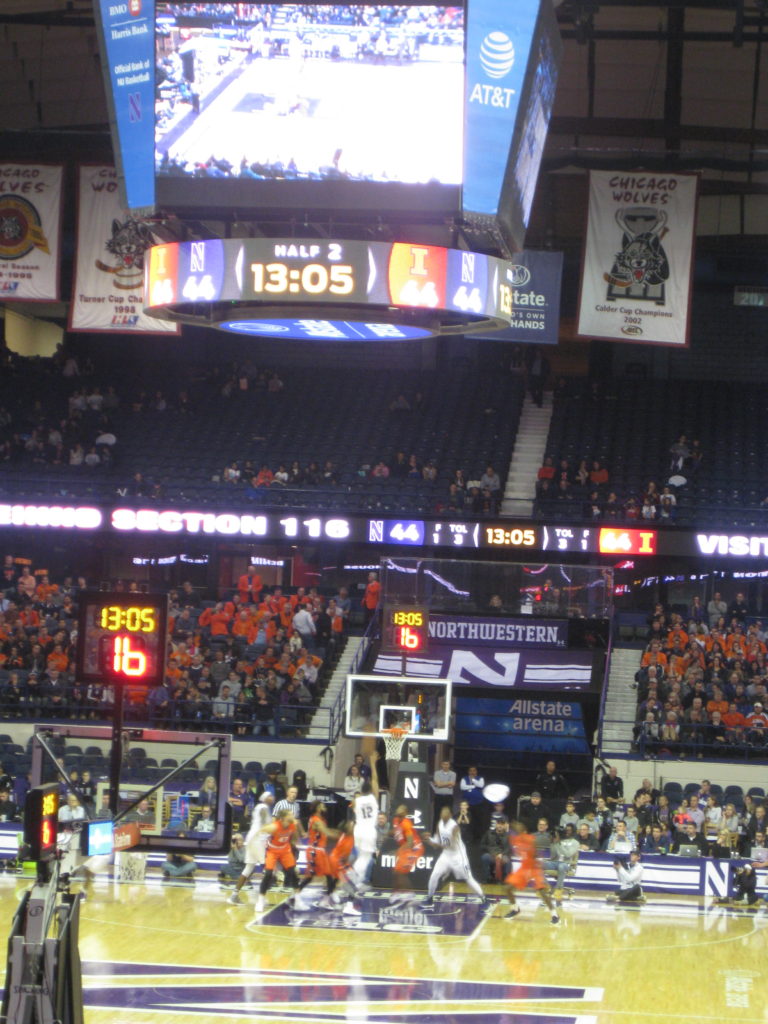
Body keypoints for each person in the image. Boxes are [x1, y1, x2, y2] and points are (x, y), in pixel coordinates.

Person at [423, 805, 486, 907]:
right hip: (446, 855)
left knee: (468, 878)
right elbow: (437, 841)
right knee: (434, 875)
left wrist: (436, 845)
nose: (443, 816)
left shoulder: (454, 827)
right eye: (442, 814)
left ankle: (484, 899)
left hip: (458, 857)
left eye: (445, 814)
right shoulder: (439, 824)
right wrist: (429, 840)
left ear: (450, 815)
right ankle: (430, 898)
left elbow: (452, 846)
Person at [504, 820, 559, 924]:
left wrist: (541, 872)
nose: (517, 828)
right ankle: (515, 909)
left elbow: (536, 855)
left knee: (542, 892)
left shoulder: (531, 839)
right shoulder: (515, 839)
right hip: (524, 867)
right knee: (507, 888)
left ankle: (555, 915)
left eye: (519, 826)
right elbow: (509, 836)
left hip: (534, 867)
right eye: (516, 827)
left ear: (524, 830)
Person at [228, 793, 274, 905]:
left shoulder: (259, 807)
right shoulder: (263, 807)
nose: (272, 798)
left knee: (248, 869)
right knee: (268, 868)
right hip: (258, 840)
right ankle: (261, 898)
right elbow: (264, 823)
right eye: (270, 796)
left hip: (251, 839)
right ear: (265, 798)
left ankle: (234, 895)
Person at [254, 809, 300, 914]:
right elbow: (261, 830)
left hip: (285, 850)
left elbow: (294, 836)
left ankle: (298, 899)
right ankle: (260, 900)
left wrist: (295, 844)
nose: (293, 815)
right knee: (268, 874)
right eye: (290, 814)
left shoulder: (293, 825)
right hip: (273, 850)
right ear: (283, 818)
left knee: (292, 873)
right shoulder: (274, 826)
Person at [351, 753, 380, 884]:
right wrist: (373, 764)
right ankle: (359, 880)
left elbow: (353, 808)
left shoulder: (356, 800)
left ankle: (354, 876)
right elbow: (375, 780)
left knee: (358, 855)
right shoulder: (373, 799)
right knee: (367, 857)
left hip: (358, 829)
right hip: (369, 831)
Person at [390, 805, 425, 902]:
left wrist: (398, 851)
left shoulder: (407, 824)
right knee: (396, 871)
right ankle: (396, 893)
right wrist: (388, 834)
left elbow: (410, 842)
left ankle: (410, 894)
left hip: (415, 848)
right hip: (405, 848)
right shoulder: (396, 820)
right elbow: (396, 831)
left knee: (401, 873)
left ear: (405, 814)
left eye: (402, 812)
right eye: (399, 809)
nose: (399, 811)